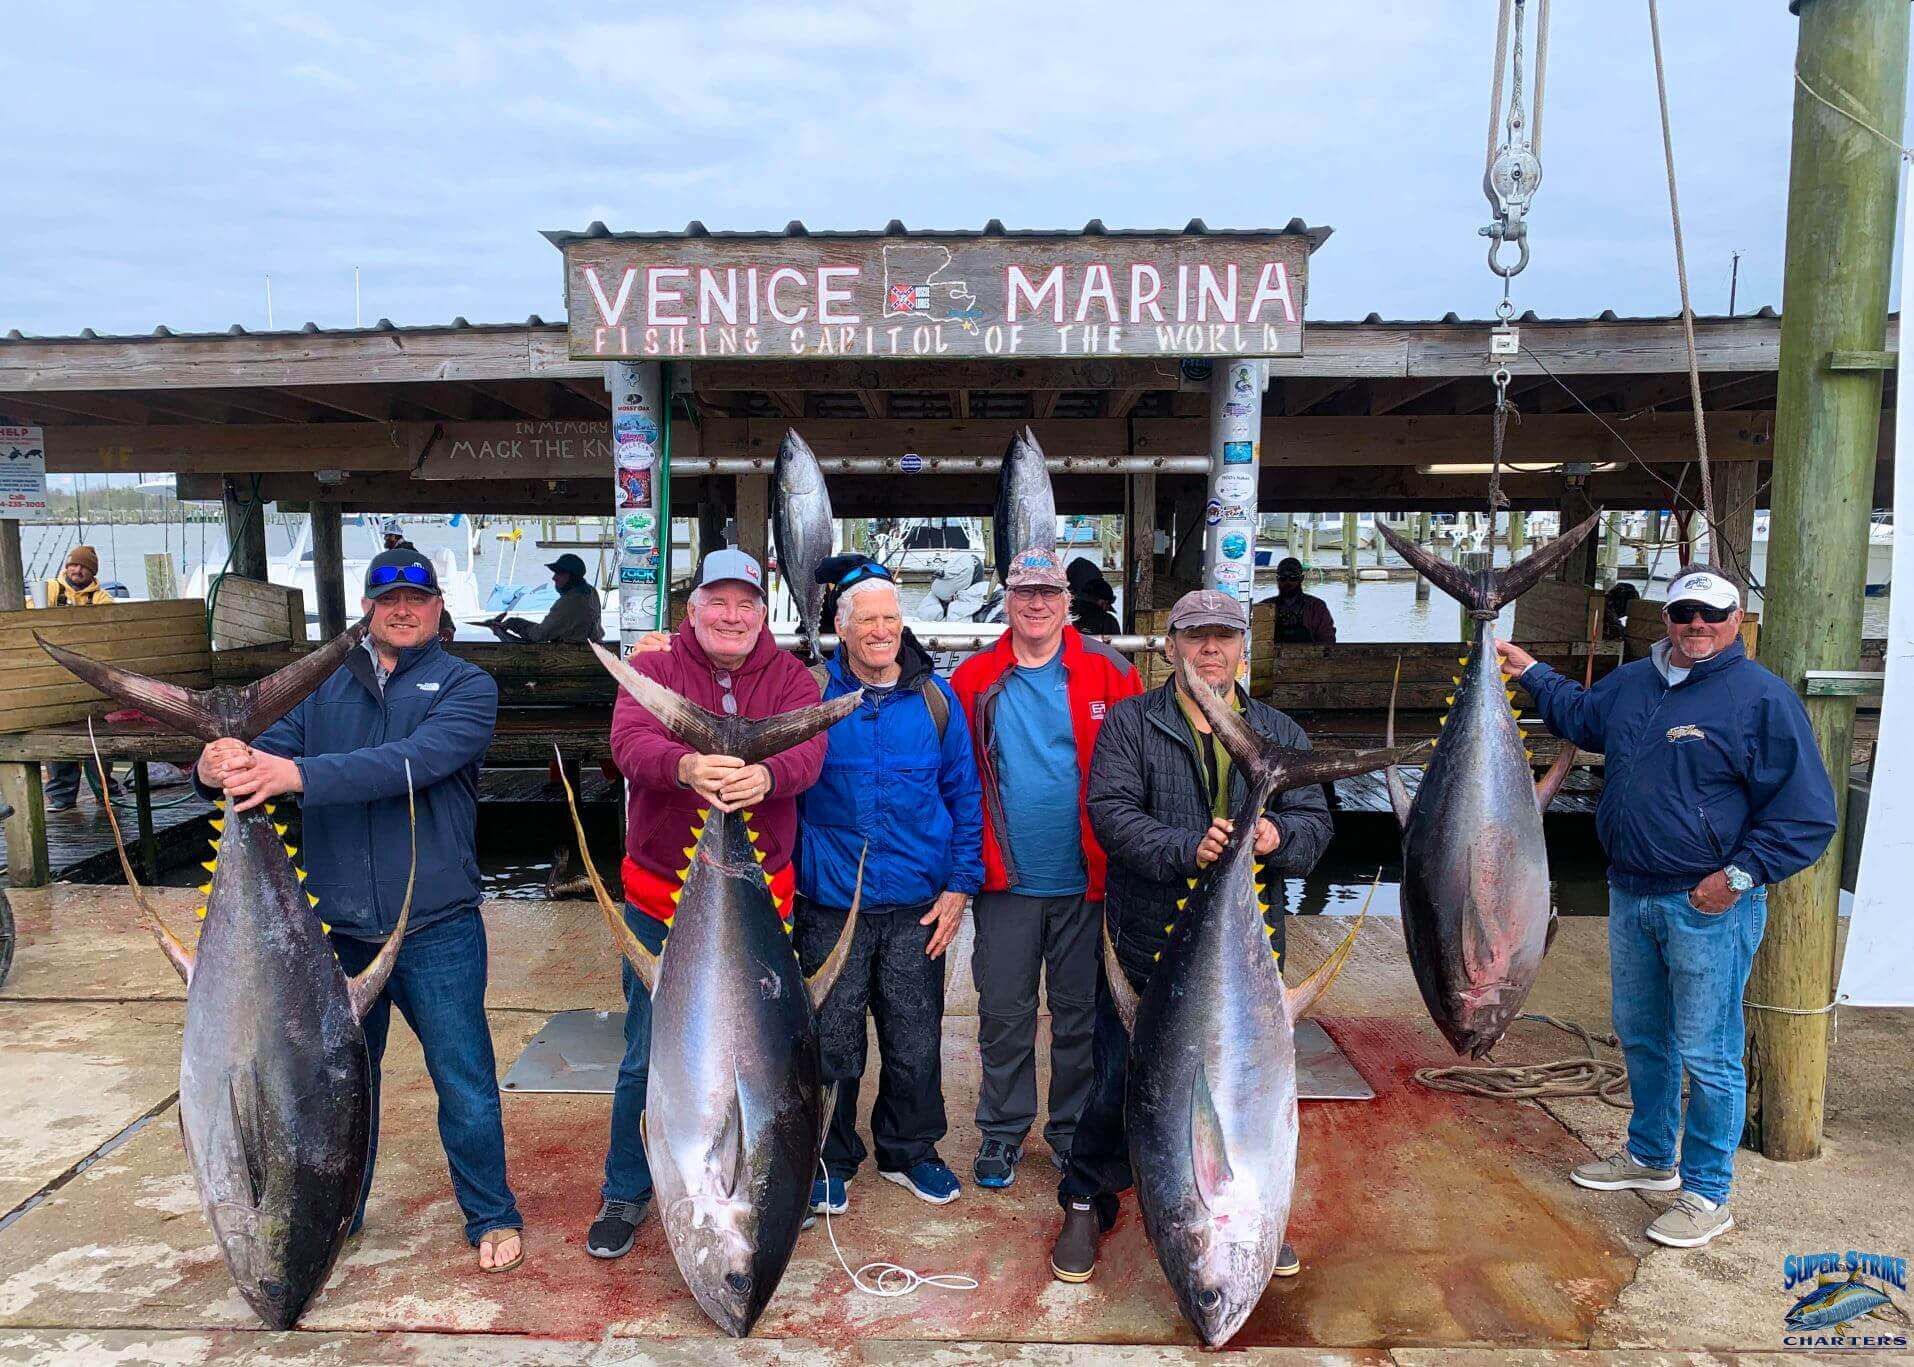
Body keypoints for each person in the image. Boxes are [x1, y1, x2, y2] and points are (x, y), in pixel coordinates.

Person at [192, 549, 524, 1273]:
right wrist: (217, 762)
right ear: (367, 612)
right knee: (338, 1084)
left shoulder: (466, 685)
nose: (401, 610)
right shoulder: (319, 693)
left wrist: (297, 774)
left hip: (437, 926)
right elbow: (262, 757)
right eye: (387, 600)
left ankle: (491, 1212)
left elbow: (414, 760)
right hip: (334, 930)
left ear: (439, 606)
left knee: (463, 1078)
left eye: (415, 597)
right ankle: (343, 1208)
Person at [1496, 565, 1836, 1249]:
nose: (1697, 626)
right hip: (1632, 892)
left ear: (1736, 618)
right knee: (1642, 1034)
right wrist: (1528, 669)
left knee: (1710, 1053)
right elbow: (1580, 715)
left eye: (1711, 614)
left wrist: (1737, 877)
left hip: (1707, 905)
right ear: (1666, 619)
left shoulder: (1760, 698)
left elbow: (1808, 816)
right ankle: (1650, 1154)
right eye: (1684, 613)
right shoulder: (1634, 682)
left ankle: (1708, 1192)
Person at [1051, 589, 1333, 1282]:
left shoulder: (1280, 732)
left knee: (1251, 1090)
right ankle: (1086, 1195)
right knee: (1122, 1074)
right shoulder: (1131, 723)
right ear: (1171, 644)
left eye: (1224, 636)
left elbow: (1317, 825)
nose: (1211, 648)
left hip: (1250, 946)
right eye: (1196, 635)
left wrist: (1277, 834)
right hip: (1150, 942)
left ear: (1244, 646)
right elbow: (1110, 813)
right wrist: (1186, 846)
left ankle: (1255, 1211)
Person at [588, 548, 829, 1258]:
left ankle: (772, 1179)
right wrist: (686, 765)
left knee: (769, 1056)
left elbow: (810, 755)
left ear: (764, 611)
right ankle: (627, 1189)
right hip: (662, 901)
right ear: (691, 609)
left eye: (746, 603)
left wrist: (769, 774)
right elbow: (628, 742)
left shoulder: (790, 677)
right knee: (648, 1055)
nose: (732, 615)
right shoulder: (655, 669)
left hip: (762, 904)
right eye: (718, 602)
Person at [794, 564, 983, 1216]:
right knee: (831, 1038)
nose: (881, 630)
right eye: (867, 619)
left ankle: (910, 1150)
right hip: (831, 906)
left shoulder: (935, 699)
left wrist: (960, 886)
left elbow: (964, 794)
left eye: (891, 619)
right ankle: (828, 1155)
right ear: (841, 628)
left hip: (916, 905)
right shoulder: (811, 695)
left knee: (914, 1036)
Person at [949, 546, 1141, 1190]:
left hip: (1089, 881)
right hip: (1006, 882)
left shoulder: (1112, 672)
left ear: (1068, 601)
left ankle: (1070, 1132)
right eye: (1025, 592)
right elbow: (956, 778)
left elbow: (1141, 771)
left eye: (1050, 593)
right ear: (1007, 597)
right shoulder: (973, 677)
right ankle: (1002, 1132)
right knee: (1003, 1013)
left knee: (1079, 1016)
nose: (1037, 604)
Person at [38, 546, 121, 809]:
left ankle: (106, 793)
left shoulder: (102, 598)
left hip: (90, 678)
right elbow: (30, 617)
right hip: (55, 678)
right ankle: (61, 797)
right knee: (60, 739)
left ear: (93, 571)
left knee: (97, 740)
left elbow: (110, 632)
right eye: (73, 565)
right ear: (66, 566)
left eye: (83, 567)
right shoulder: (51, 590)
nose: (77, 570)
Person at [487, 553, 602, 644]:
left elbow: (537, 635)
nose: (554, 578)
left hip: (570, 656)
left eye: (559, 574)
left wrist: (512, 623)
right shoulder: (591, 591)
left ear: (572, 577)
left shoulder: (569, 602)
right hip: (590, 648)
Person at [1271, 557, 1336, 643]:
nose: (1288, 582)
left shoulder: (1317, 607)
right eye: (1283, 578)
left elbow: (1328, 640)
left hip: (1311, 655)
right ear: (1277, 579)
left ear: (1301, 578)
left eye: (1293, 578)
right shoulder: (1265, 607)